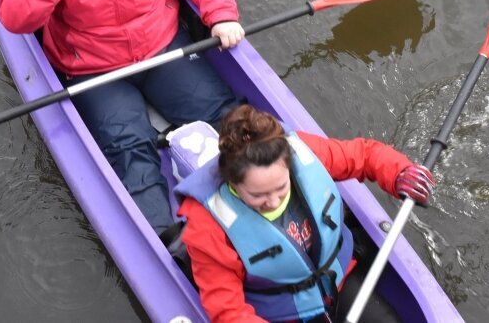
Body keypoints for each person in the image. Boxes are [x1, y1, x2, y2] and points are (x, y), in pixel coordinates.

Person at [0, 0, 245, 235]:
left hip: (162, 50)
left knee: (229, 118)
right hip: (93, 71)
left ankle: (278, 191)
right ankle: (167, 240)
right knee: (129, 146)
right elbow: (14, 17)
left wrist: (222, 14)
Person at [175, 104, 435, 322]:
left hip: (339, 281)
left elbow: (365, 154)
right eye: (258, 195)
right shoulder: (207, 228)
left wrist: (400, 172)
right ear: (232, 182)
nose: (274, 201)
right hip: (282, 314)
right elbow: (228, 311)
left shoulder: (302, 152)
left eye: (280, 187)